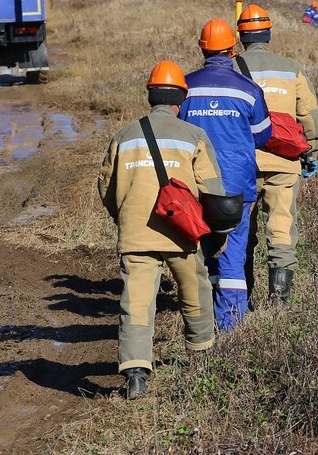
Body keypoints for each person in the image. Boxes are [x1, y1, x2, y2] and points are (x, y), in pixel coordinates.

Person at [97, 60, 242, 399]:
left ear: (150, 96)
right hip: (181, 233)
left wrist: (124, 217)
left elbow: (106, 187)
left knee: (136, 302)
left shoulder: (125, 135)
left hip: (135, 235)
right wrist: (215, 233)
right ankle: (202, 356)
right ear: (180, 99)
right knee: (195, 290)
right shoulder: (193, 135)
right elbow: (213, 190)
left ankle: (135, 375)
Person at [180, 19, 272, 331]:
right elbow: (262, 135)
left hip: (194, 190)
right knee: (233, 257)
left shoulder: (185, 87)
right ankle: (231, 328)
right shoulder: (248, 90)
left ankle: (201, 322)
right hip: (237, 189)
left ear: (201, 48)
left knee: (202, 255)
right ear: (233, 49)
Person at [236, 4, 318, 304]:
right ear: (269, 33)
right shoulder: (291, 68)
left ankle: (240, 298)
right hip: (284, 164)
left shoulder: (232, 69)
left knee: (240, 232)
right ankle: (279, 301)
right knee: (282, 227)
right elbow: (309, 116)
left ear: (240, 35)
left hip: (242, 164)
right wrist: (311, 152)